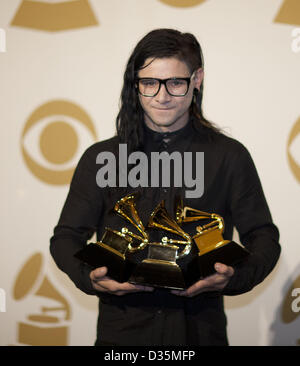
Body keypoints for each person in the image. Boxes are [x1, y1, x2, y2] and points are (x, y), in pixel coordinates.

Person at [50, 28, 281, 346]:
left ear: (197, 79)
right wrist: (88, 277)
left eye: (175, 82)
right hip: (122, 338)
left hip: (201, 334)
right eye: (149, 83)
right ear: (135, 84)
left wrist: (234, 277)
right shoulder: (101, 158)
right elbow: (65, 237)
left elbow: (264, 237)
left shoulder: (229, 156)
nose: (162, 96)